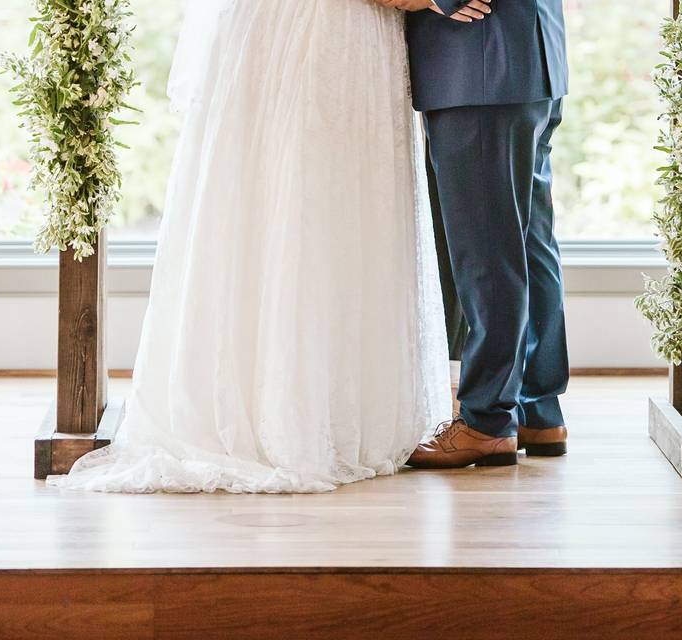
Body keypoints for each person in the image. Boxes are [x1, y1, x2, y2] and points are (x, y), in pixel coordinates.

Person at [52, 0, 492, 494]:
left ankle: (333, 409)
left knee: (337, 203)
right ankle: (284, 410)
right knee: (288, 194)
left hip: (360, 31)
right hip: (311, 24)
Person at [397, 0, 572, 468]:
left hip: (481, 69)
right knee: (530, 244)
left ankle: (487, 421)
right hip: (523, 62)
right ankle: (539, 410)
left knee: (488, 254)